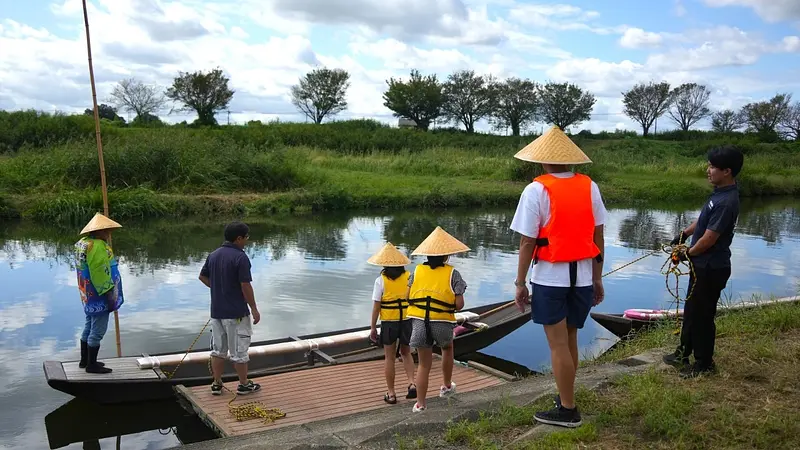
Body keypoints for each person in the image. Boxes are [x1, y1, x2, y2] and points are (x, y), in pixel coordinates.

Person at [510, 125, 606, 428]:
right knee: (571, 338)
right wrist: (597, 277)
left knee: (557, 345)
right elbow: (598, 234)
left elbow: (527, 242)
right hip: (582, 276)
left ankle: (567, 410)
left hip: (550, 279)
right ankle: (568, 396)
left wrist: (519, 282)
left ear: (541, 160)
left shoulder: (536, 189)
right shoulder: (589, 185)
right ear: (569, 159)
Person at [663, 145, 744, 379]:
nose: (708, 170)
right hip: (702, 266)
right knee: (691, 311)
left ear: (727, 171)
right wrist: (684, 234)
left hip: (711, 267)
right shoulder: (718, 194)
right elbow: (702, 221)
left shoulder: (727, 201)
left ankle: (704, 365)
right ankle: (682, 353)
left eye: (712, 167)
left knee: (702, 316)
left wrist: (687, 252)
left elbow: (709, 238)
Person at [405, 226, 469, 413]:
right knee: (447, 348)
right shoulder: (453, 273)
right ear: (446, 256)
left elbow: (408, 295)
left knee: (424, 364)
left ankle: (420, 404)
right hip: (441, 320)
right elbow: (459, 305)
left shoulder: (416, 271)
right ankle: (447, 386)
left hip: (418, 320)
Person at [199, 221, 261, 395]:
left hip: (217, 312)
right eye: (246, 238)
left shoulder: (213, 255)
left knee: (218, 350)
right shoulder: (240, 257)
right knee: (240, 350)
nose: (247, 241)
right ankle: (243, 384)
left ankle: (217, 384)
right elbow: (245, 285)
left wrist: (219, 289)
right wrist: (254, 308)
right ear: (238, 238)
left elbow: (202, 277)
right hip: (236, 313)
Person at [367, 242, 417, 404]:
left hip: (389, 322)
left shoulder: (380, 281)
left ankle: (391, 393)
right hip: (407, 321)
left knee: (389, 358)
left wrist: (373, 327)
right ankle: (411, 384)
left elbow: (376, 307)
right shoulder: (409, 277)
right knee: (406, 353)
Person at [75, 213, 125, 374]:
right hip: (98, 294)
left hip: (86, 293)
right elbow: (99, 271)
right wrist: (108, 291)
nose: (109, 233)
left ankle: (85, 360)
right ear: (100, 231)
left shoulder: (83, 243)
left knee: (89, 324)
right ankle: (92, 365)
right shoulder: (96, 246)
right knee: (98, 330)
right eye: (107, 230)